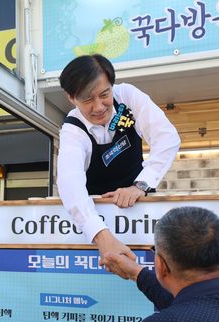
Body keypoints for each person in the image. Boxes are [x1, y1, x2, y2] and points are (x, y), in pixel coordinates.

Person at [57, 54, 180, 264]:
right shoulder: (72, 130)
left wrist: (140, 186)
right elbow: (70, 183)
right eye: (87, 99)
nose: (98, 107)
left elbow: (166, 138)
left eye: (104, 94)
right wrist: (101, 236)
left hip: (142, 211)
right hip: (98, 217)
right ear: (71, 97)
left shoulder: (128, 98)